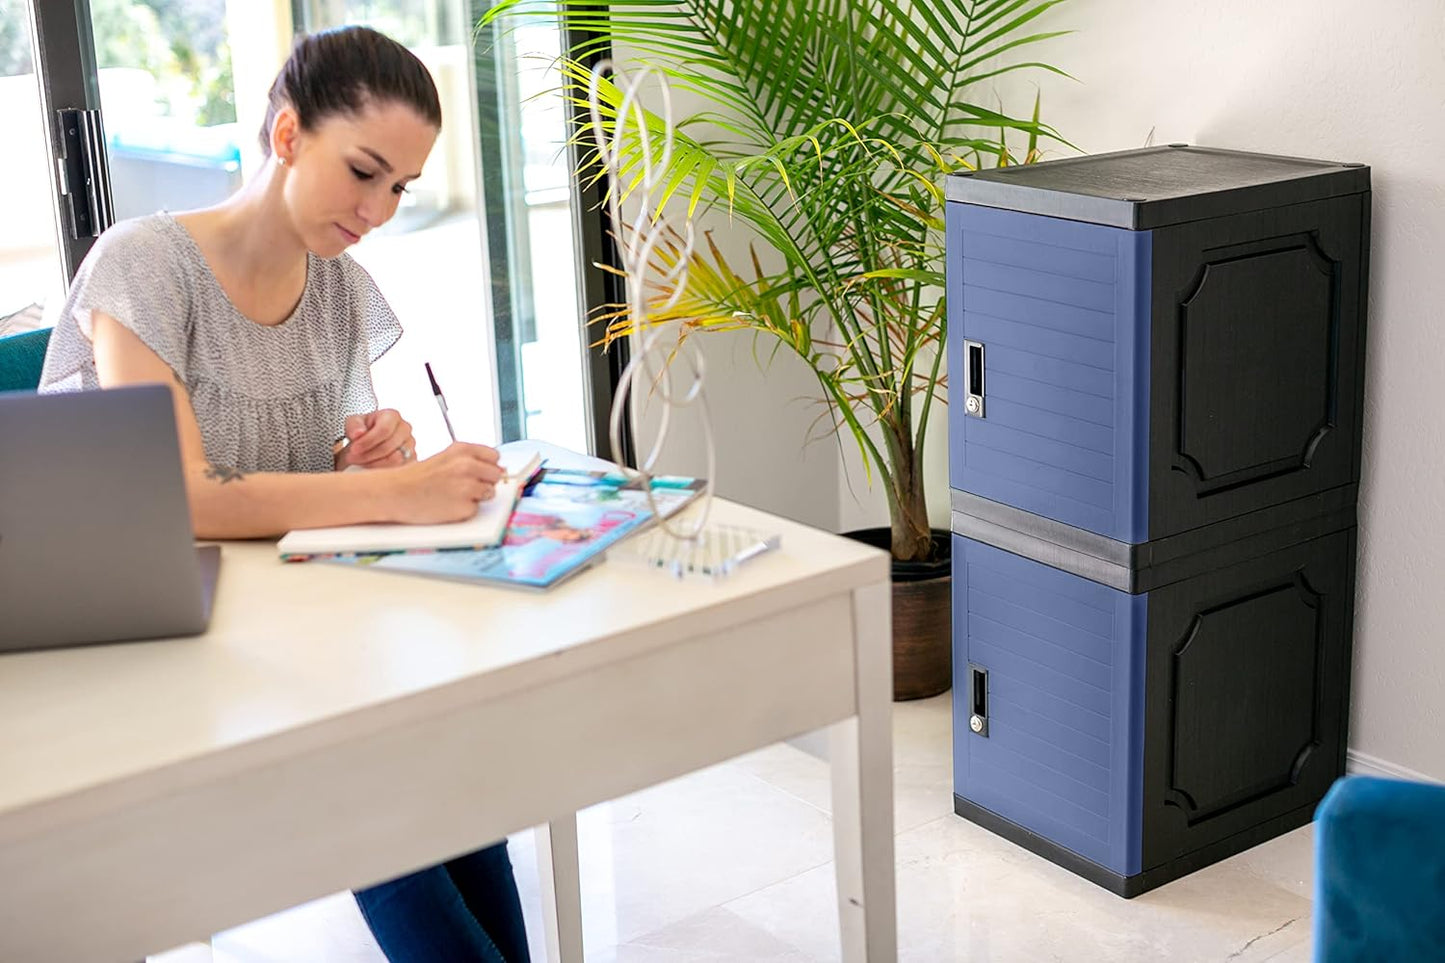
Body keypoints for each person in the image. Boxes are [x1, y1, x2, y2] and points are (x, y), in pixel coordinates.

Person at [39, 25, 531, 963]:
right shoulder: (143, 265)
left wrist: (375, 464)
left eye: (400, 188)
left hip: (285, 626)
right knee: (373, 783)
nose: (379, 208)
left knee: (453, 767)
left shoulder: (341, 289)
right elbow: (177, 499)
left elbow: (313, 486)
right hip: (151, 642)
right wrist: (401, 496)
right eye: (364, 171)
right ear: (287, 134)